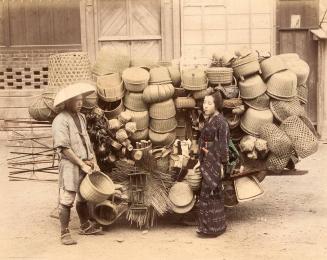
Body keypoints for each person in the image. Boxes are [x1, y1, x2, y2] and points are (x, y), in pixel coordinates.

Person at [52, 82, 102, 245]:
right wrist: (81, 164)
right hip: (70, 164)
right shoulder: (60, 120)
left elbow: (86, 141)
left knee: (83, 195)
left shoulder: (81, 117)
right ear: (68, 102)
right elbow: (64, 148)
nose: (80, 103)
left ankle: (85, 225)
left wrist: (93, 160)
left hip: (86, 162)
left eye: (81, 100)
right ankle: (64, 232)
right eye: (76, 101)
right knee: (68, 197)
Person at [197, 91, 230, 238]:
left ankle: (215, 228)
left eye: (209, 103)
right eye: (204, 102)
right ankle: (207, 227)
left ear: (216, 105)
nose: (205, 106)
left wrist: (223, 164)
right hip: (206, 159)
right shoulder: (209, 119)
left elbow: (223, 144)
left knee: (211, 194)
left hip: (215, 161)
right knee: (205, 195)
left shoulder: (221, 122)